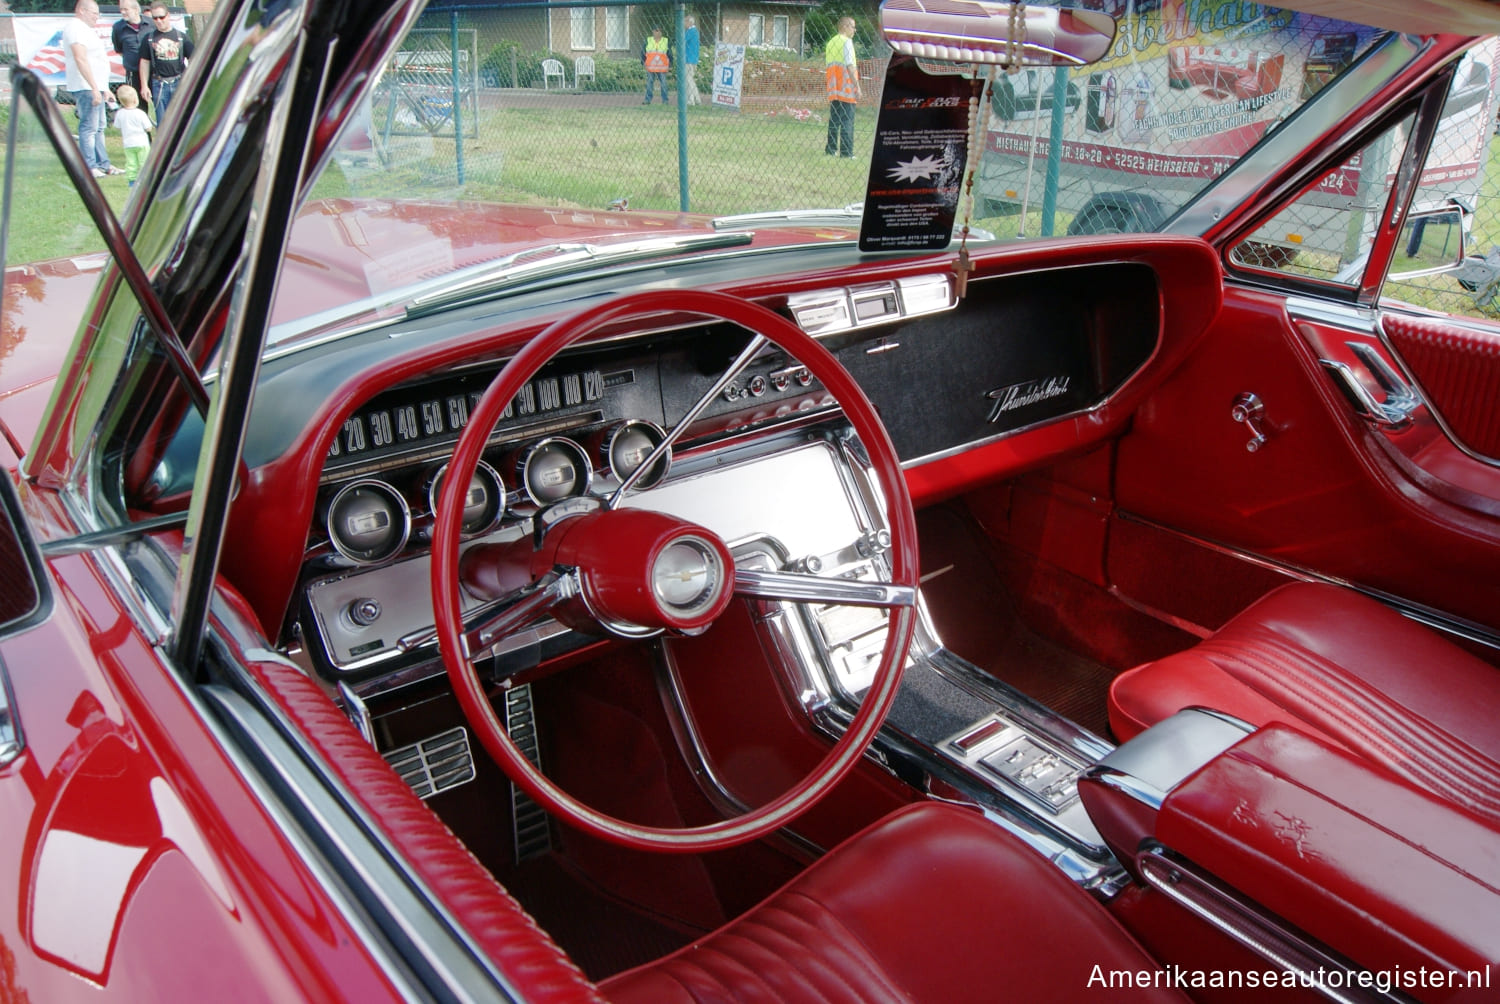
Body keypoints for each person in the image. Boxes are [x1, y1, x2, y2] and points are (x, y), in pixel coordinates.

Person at [63, 0, 123, 178]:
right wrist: (94, 87)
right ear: (81, 11)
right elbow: (80, 59)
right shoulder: (75, 28)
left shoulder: (86, 30)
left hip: (97, 85)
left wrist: (104, 88)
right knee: (89, 127)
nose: (97, 17)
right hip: (85, 86)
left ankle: (103, 164)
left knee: (100, 127)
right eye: (94, 13)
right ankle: (89, 166)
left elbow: (96, 61)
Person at [139, 4, 194, 123]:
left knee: (181, 120)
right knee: (163, 123)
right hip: (159, 84)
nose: (158, 21)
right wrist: (144, 85)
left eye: (161, 17)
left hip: (179, 81)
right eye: (155, 18)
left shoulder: (181, 37)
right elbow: (144, 62)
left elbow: (194, 60)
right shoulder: (149, 38)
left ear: (168, 16)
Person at [824, 17, 861, 158]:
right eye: (853, 26)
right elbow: (850, 65)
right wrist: (857, 86)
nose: (854, 30)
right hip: (846, 87)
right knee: (847, 120)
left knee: (834, 120)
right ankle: (846, 153)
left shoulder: (831, 42)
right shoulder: (847, 42)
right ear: (845, 26)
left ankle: (831, 150)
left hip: (834, 88)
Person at [112, 0, 151, 119]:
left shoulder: (151, 24)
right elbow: (119, 50)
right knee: (137, 108)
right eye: (121, 10)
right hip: (133, 74)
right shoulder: (118, 28)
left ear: (136, 10)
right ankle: (144, 136)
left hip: (154, 73)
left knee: (162, 106)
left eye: (126, 9)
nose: (122, 12)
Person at [112, 84, 154, 187]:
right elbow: (148, 128)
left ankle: (132, 180)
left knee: (131, 163)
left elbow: (117, 127)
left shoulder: (120, 113)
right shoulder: (140, 113)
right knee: (144, 162)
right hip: (142, 143)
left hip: (128, 143)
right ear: (136, 99)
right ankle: (146, 179)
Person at [642, 27, 670, 105]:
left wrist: (670, 64)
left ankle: (665, 100)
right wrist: (643, 62)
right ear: (653, 31)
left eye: (660, 31)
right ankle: (648, 99)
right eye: (656, 31)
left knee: (663, 83)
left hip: (662, 67)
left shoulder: (665, 41)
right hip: (651, 66)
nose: (658, 33)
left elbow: (669, 53)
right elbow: (643, 51)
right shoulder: (648, 40)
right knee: (649, 83)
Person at [683, 15, 700, 106]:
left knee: (688, 80)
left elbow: (682, 40)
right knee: (691, 80)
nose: (684, 24)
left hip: (689, 59)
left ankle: (691, 100)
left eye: (685, 22)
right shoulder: (695, 31)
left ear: (689, 22)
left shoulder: (690, 31)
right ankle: (697, 99)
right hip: (693, 59)